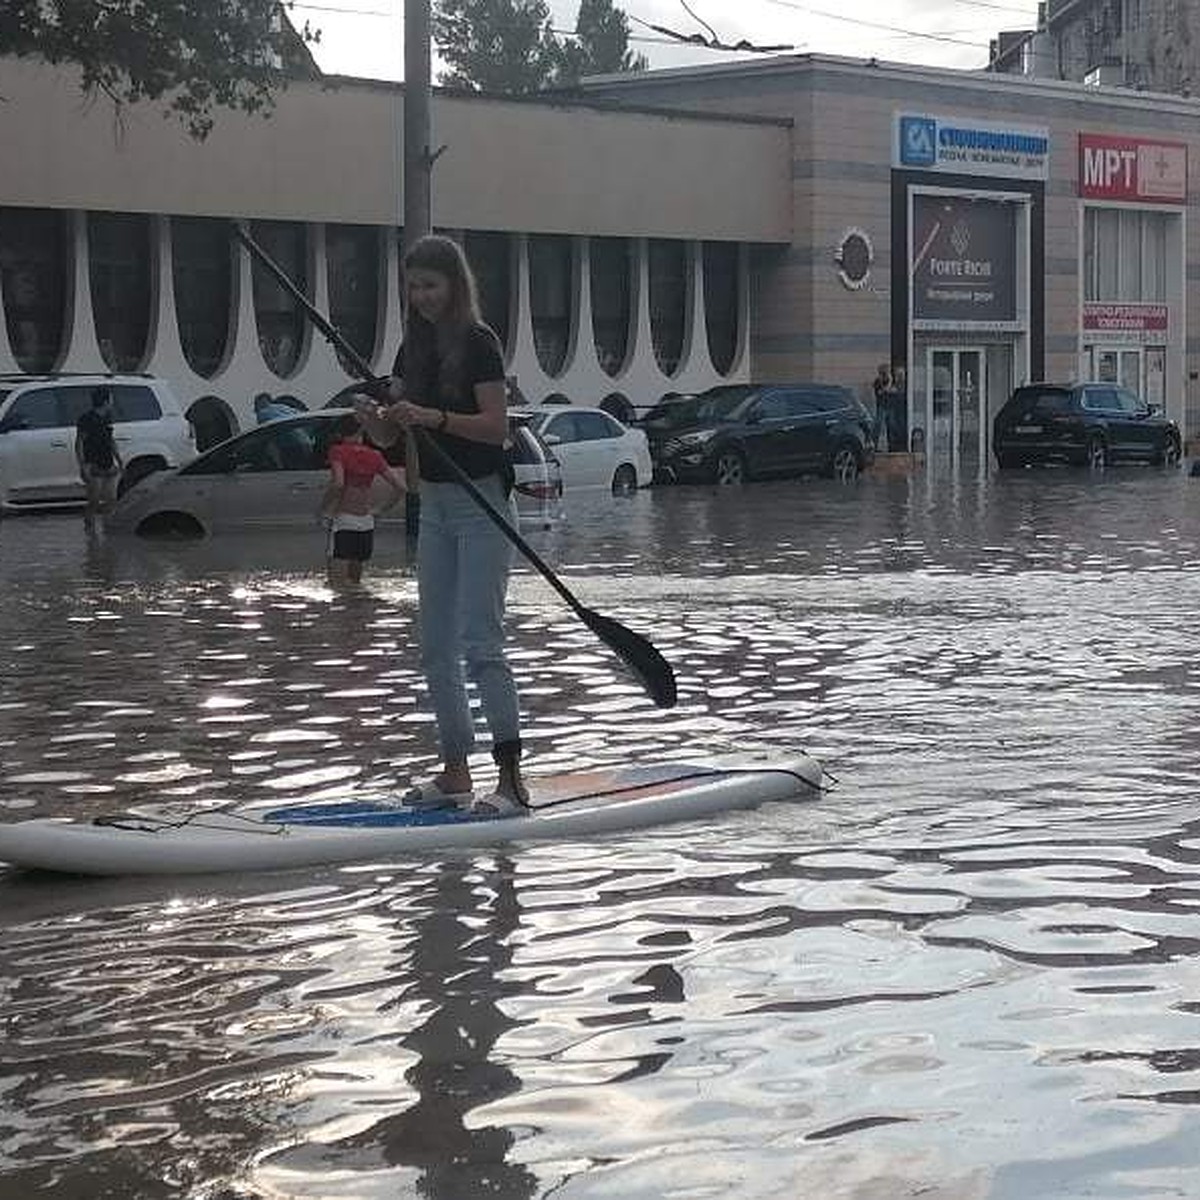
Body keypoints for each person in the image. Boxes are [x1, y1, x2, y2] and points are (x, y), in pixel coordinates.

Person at [355, 234, 528, 818]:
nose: (420, 296)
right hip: (432, 503)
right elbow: (392, 438)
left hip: (481, 503)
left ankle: (510, 781)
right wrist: (377, 420)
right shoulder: (412, 351)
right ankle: (456, 770)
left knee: (481, 642)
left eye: (430, 285)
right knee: (433, 648)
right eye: (412, 286)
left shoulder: (480, 344)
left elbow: (495, 427)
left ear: (455, 285)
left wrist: (431, 415)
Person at [320, 413, 406, 588]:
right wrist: (380, 510)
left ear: (340, 434)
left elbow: (338, 484)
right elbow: (401, 487)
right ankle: (360, 615)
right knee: (355, 585)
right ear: (362, 433)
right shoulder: (374, 455)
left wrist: (324, 509)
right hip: (366, 522)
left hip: (344, 521)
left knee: (336, 586)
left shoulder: (338, 451)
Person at [75, 386, 122, 527]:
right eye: (111, 399)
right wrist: (82, 466)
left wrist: (119, 459)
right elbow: (79, 443)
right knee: (94, 500)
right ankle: (89, 527)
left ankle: (107, 527)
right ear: (105, 401)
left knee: (112, 499)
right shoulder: (86, 419)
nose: (113, 402)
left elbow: (110, 440)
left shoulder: (108, 418)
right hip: (92, 464)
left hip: (108, 462)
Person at [871, 363, 891, 451]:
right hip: (881, 406)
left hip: (890, 406)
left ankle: (891, 446)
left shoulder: (890, 380)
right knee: (878, 426)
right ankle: (874, 446)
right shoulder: (878, 381)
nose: (886, 373)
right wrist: (885, 384)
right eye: (884, 371)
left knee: (891, 427)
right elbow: (880, 392)